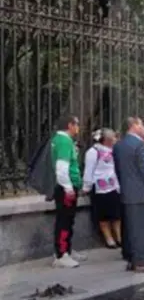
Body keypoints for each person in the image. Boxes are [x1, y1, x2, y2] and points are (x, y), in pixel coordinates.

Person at [114, 117, 144, 272]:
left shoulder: (119, 145)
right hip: (141, 193)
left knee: (130, 228)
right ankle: (142, 262)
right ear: (133, 126)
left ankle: (132, 258)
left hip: (127, 192)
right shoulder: (139, 145)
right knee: (142, 229)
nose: (143, 127)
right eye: (141, 124)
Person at [50, 115, 87, 268]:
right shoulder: (64, 141)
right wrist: (68, 187)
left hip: (67, 186)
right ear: (70, 125)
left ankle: (66, 250)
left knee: (67, 219)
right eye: (77, 125)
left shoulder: (60, 140)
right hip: (67, 187)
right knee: (65, 220)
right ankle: (61, 254)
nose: (78, 128)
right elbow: (62, 167)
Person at [83, 128, 122, 249]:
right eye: (113, 138)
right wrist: (87, 185)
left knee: (116, 214)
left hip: (113, 185)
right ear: (106, 140)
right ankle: (109, 238)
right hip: (99, 186)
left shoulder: (114, 151)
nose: (115, 140)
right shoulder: (93, 152)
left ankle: (119, 237)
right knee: (103, 214)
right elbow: (89, 169)